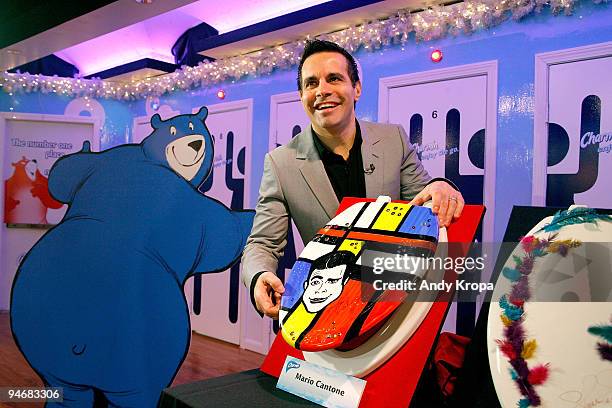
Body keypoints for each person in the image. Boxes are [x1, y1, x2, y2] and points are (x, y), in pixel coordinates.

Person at [242, 39, 464, 319]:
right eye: (311, 83)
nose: (322, 91)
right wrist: (258, 276)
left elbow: (424, 201)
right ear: (301, 96)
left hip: (394, 299)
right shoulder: (280, 163)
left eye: (334, 78)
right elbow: (262, 243)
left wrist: (439, 187)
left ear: (356, 88)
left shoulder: (393, 140)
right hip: (324, 310)